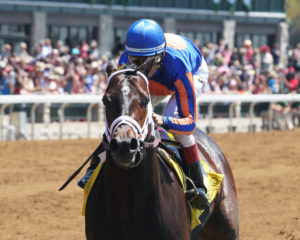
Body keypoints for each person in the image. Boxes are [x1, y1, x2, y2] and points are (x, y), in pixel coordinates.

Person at [78, 19, 209, 210]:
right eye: (135, 61)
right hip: (160, 77)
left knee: (179, 129)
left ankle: (198, 187)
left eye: (145, 62)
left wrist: (162, 120)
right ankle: (95, 165)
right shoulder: (126, 62)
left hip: (191, 72)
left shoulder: (178, 66)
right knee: (124, 118)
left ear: (159, 57)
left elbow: (189, 123)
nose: (140, 68)